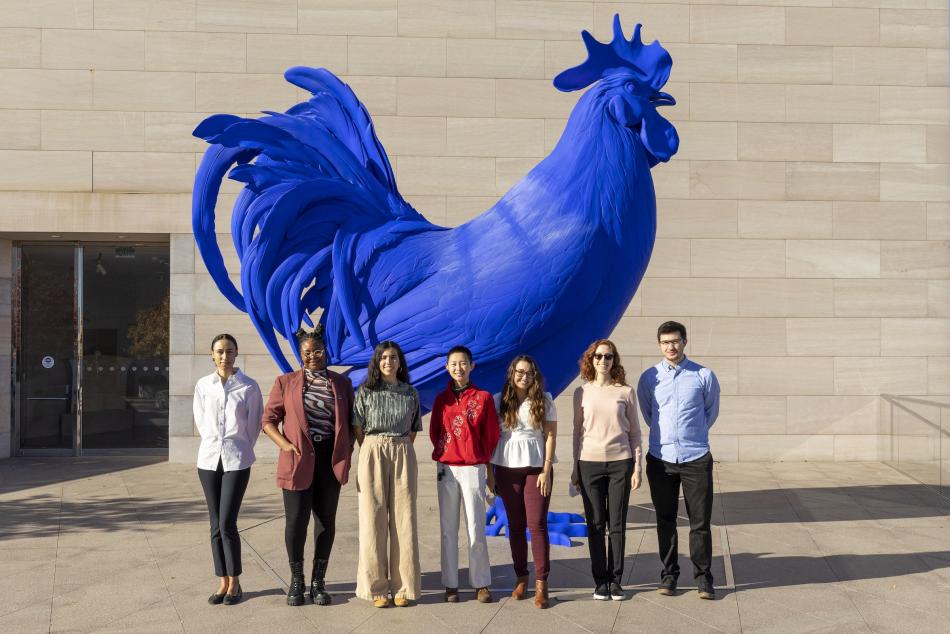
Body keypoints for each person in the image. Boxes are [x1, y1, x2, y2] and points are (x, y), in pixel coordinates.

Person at [261, 326, 354, 606]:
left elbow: (351, 423)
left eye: (317, 351)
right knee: (296, 521)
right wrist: (285, 445)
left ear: (325, 352)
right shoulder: (285, 382)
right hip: (297, 458)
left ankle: (318, 582)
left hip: (329, 460)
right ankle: (297, 580)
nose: (312, 356)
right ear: (300, 354)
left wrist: (347, 449)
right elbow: (267, 421)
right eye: (306, 352)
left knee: (326, 522)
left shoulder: (341, 384)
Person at [637, 321, 721, 600]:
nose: (670, 347)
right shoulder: (649, 378)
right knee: (665, 520)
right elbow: (650, 415)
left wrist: (691, 437)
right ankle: (669, 575)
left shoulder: (704, 375)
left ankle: (703, 578)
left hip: (696, 457)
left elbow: (710, 412)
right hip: (661, 459)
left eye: (675, 341)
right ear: (659, 345)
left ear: (684, 342)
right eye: (665, 342)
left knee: (700, 522)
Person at [193, 333, 263, 606]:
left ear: (236, 353)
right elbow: (200, 420)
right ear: (212, 354)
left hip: (237, 459)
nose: (225, 356)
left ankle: (235, 582)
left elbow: (255, 424)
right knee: (214, 524)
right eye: (220, 351)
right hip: (209, 460)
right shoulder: (203, 385)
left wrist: (240, 447)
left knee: (226, 523)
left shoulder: (249, 386)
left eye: (229, 351)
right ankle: (221, 581)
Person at [352, 341, 423, 608]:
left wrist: (398, 449)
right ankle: (376, 587)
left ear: (400, 362)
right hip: (372, 449)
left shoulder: (410, 393)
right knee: (373, 519)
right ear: (377, 362)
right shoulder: (366, 392)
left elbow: (414, 428)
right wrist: (372, 449)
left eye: (393, 357)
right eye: (383, 357)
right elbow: (358, 427)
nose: (388, 362)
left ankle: (404, 587)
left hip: (402, 450)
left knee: (404, 521)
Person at [571, 339, 642, 602]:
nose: (604, 361)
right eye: (599, 356)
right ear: (591, 360)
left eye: (609, 356)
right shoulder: (582, 392)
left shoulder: (626, 391)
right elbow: (577, 433)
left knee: (617, 524)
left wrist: (637, 468)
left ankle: (616, 581)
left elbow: (635, 433)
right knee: (596, 524)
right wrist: (575, 468)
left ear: (615, 360)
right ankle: (600, 582)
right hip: (589, 464)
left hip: (620, 463)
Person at [430, 345, 500, 603]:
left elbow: (492, 435)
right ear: (447, 367)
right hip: (447, 468)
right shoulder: (441, 400)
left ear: (472, 366)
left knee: (475, 526)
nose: (458, 368)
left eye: (463, 363)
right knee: (448, 528)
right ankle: (450, 583)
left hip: (473, 467)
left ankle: (481, 583)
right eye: (453, 364)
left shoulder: (483, 398)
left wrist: (481, 461)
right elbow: (435, 431)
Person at [489, 355, 557, 609]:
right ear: (512, 373)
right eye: (520, 372)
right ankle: (522, 578)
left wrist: (546, 469)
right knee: (515, 526)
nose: (524, 377)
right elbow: (490, 438)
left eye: (529, 373)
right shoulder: (498, 400)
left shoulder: (544, 400)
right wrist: (490, 472)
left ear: (534, 376)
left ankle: (542, 583)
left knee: (537, 524)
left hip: (536, 468)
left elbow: (550, 436)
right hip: (506, 468)